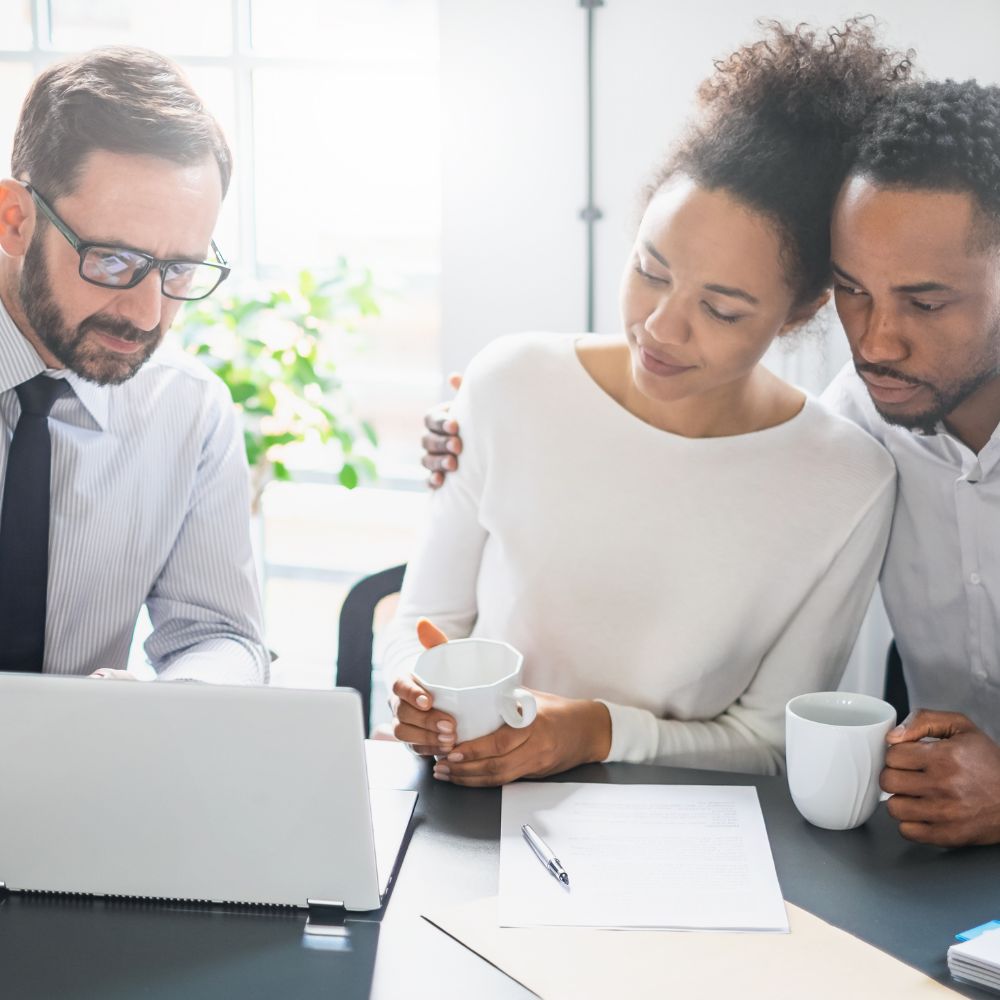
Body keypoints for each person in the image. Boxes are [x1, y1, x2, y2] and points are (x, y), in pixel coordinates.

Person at [384, 21, 909, 785]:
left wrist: (598, 732)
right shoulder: (509, 382)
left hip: (689, 842)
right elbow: (422, 623)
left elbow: (769, 742)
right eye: (651, 271)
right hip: (471, 809)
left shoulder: (848, 483)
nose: (661, 328)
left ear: (798, 313)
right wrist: (418, 693)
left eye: (723, 310)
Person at [0, 47, 268, 683]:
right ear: (14, 221)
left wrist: (172, 699)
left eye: (179, 269)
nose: (148, 315)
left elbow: (221, 634)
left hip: (81, 778)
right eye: (113, 260)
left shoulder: (188, 410)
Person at [822, 79, 1000, 847]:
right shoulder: (855, 421)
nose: (875, 343)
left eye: (926, 304)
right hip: (935, 866)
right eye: (852, 290)